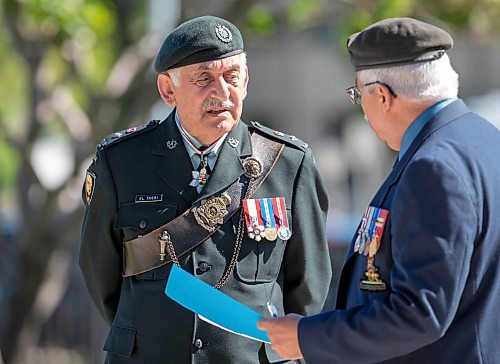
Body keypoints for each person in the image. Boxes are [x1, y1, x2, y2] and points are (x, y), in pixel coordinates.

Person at [79, 15, 332, 364]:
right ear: (168, 90)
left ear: (245, 82)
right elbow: (99, 271)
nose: (222, 92)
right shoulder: (120, 162)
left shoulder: (288, 163)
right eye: (204, 79)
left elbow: (307, 287)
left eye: (231, 77)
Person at [258, 17, 500, 363]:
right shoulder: (484, 140)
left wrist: (305, 338)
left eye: (358, 95)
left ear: (383, 96)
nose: (364, 112)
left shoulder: (433, 167)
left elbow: (420, 313)